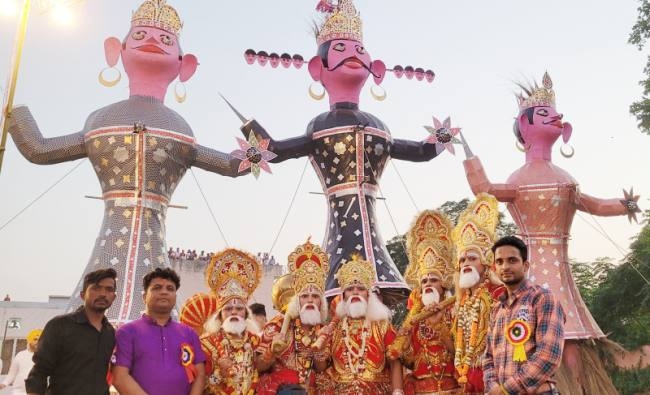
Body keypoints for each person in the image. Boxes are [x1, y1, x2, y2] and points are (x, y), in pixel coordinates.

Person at [7, 0, 243, 326]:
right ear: (115, 50)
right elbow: (39, 149)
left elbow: (232, 165)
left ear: (183, 66)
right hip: (120, 235)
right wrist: (12, 109)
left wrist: (259, 150)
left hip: (144, 237)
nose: (151, 41)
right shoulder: (104, 120)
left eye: (165, 40)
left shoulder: (178, 130)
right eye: (141, 34)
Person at [230, 0, 447, 306]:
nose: (354, 55)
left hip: (367, 209)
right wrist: (252, 131)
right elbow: (277, 151)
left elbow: (419, 152)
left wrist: (440, 139)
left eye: (360, 50)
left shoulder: (378, 127)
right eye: (342, 48)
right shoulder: (319, 127)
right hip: (339, 214)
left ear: (376, 68)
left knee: (373, 273)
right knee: (340, 273)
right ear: (318, 68)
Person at [459, 72, 639, 393]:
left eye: (554, 113)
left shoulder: (564, 177)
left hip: (560, 272)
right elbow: (484, 188)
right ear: (525, 127)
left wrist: (624, 205)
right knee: (526, 336)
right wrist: (466, 151)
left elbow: (593, 204)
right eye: (544, 114)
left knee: (570, 342)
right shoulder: (517, 180)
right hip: (534, 271)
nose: (555, 117)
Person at [483, 236, 565, 395]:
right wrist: (492, 387)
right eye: (499, 262)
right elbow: (488, 357)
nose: (505, 266)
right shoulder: (497, 310)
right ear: (494, 267)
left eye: (512, 260)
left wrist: (507, 390)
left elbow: (549, 355)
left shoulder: (542, 299)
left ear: (525, 265)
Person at [388, 210, 459, 394]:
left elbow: (460, 354)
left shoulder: (455, 311)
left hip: (453, 388)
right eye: (424, 281)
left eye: (433, 280)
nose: (428, 284)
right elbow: (407, 360)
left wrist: (441, 328)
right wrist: (402, 344)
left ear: (443, 285)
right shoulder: (414, 319)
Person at [180, 248, 265, 394]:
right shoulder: (206, 344)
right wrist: (219, 374)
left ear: (245, 314)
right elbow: (196, 383)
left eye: (239, 308)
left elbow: (262, 372)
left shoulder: (255, 342)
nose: (234, 312)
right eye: (227, 309)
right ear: (219, 315)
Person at [112, 268, 206, 395]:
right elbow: (120, 377)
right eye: (157, 288)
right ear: (145, 296)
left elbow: (200, 375)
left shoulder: (189, 333)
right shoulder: (127, 332)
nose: (164, 292)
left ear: (175, 297)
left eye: (170, 289)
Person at [319, 255, 403, 395]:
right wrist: (318, 351)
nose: (355, 292)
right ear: (344, 295)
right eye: (350, 289)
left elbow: (395, 361)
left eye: (360, 288)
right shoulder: (334, 327)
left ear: (368, 294)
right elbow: (321, 366)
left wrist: (398, 391)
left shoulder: (382, 325)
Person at [25, 268, 117, 395]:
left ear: (114, 297)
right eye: (96, 288)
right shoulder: (59, 326)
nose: (103, 294)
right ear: (83, 294)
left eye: (109, 289)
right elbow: (39, 372)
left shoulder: (110, 333)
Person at [257, 239, 330, 394]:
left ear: (321, 303)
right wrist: (271, 351)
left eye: (315, 296)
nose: (310, 300)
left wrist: (319, 350)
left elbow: (321, 368)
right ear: (297, 301)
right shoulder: (278, 325)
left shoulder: (322, 330)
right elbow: (258, 366)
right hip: (279, 389)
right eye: (304, 296)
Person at [450, 193, 503, 394]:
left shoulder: (499, 294)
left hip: (495, 378)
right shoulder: (462, 302)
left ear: (486, 262)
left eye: (472, 258)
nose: (465, 264)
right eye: (462, 260)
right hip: (467, 379)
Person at [0, 329, 41, 394]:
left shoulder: (45, 356)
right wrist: (4, 384)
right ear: (29, 340)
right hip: (18, 392)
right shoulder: (20, 355)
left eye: (40, 340)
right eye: (35, 339)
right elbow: (12, 374)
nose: (37, 342)